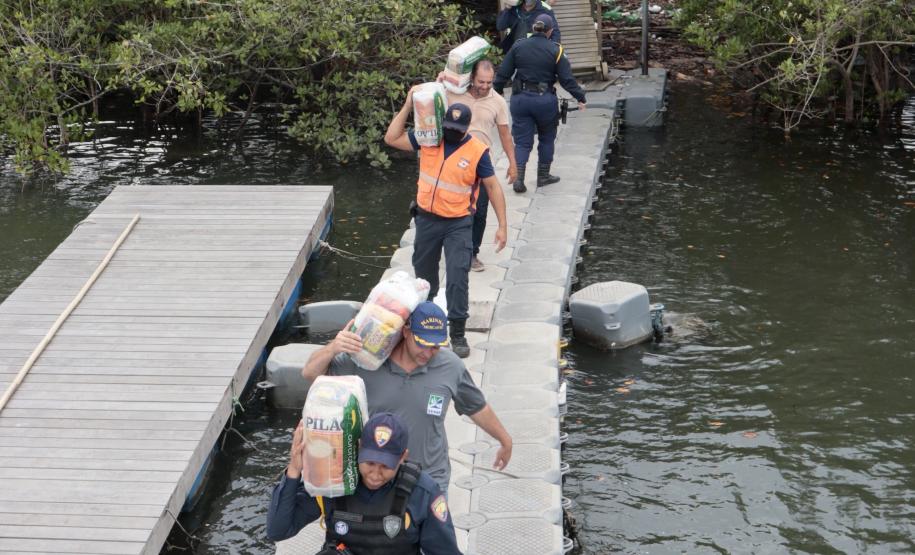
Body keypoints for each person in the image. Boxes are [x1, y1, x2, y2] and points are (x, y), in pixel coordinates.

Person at [302, 301, 513, 494]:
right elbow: (310, 373)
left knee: (434, 536)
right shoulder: (365, 361)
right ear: (406, 332)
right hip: (378, 477)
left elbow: (476, 407)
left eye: (436, 346)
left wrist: (505, 440)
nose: (429, 352)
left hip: (430, 479)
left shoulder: (451, 367)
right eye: (422, 343)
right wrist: (333, 348)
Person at [384, 91, 508, 358]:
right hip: (427, 220)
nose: (450, 133)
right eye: (447, 128)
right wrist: (408, 104)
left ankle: (459, 333)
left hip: (458, 223)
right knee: (424, 277)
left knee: (457, 276)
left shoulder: (477, 151)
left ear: (466, 128)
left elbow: (493, 187)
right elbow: (391, 138)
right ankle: (425, 324)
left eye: (456, 129)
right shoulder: (429, 138)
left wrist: (502, 226)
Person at [266, 413, 461, 555]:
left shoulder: (423, 492)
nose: (375, 474)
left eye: (386, 466)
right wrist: (293, 471)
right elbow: (278, 530)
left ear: (403, 457)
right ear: (359, 447)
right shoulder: (334, 482)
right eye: (369, 463)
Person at [494, 14, 586, 193]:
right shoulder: (556, 50)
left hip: (520, 100)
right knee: (546, 137)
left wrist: (496, 92)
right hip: (545, 102)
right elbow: (567, 80)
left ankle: (518, 177)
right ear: (550, 31)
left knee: (522, 142)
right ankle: (543, 176)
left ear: (533, 28)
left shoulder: (518, 45)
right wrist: (580, 97)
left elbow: (503, 74)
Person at [443, 59, 517, 273]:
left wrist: (513, 164)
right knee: (452, 208)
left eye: (489, 82)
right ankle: (453, 248)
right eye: (481, 82)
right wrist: (440, 81)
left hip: (481, 163)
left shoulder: (498, 102)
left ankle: (472, 252)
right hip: (454, 162)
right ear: (472, 78)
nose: (485, 86)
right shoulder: (454, 94)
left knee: (480, 210)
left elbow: (505, 134)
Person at [496, 0, 561, 54]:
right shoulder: (513, 8)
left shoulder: (545, 9)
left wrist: (552, 53)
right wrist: (507, 8)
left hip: (536, 53)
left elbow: (555, 33)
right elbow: (500, 26)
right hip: (514, 51)